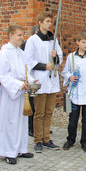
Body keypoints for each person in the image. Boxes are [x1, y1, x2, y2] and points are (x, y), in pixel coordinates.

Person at [0, 25, 35, 164]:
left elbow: (26, 70)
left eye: (23, 35)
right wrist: (18, 84)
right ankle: (8, 151)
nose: (22, 38)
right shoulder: (4, 53)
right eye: (19, 35)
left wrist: (32, 80)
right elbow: (3, 75)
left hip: (22, 92)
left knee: (21, 121)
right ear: (10, 35)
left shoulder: (21, 53)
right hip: (10, 93)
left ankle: (20, 148)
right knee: (10, 121)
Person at [24, 12, 63, 152]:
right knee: (39, 112)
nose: (49, 23)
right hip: (40, 78)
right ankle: (38, 139)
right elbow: (28, 60)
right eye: (47, 21)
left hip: (52, 80)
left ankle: (46, 138)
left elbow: (60, 57)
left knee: (49, 111)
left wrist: (56, 57)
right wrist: (44, 66)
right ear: (40, 22)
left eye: (51, 21)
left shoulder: (54, 40)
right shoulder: (32, 40)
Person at [62, 32, 86, 152]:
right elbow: (65, 72)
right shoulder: (71, 57)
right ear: (78, 42)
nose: (85, 45)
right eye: (83, 42)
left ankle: (85, 141)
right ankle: (70, 139)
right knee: (73, 119)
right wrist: (69, 77)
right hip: (74, 92)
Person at [21, 25, 39, 137]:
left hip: (38, 78)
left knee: (39, 105)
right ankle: (30, 127)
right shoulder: (26, 45)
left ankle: (38, 127)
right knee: (31, 105)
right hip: (29, 76)